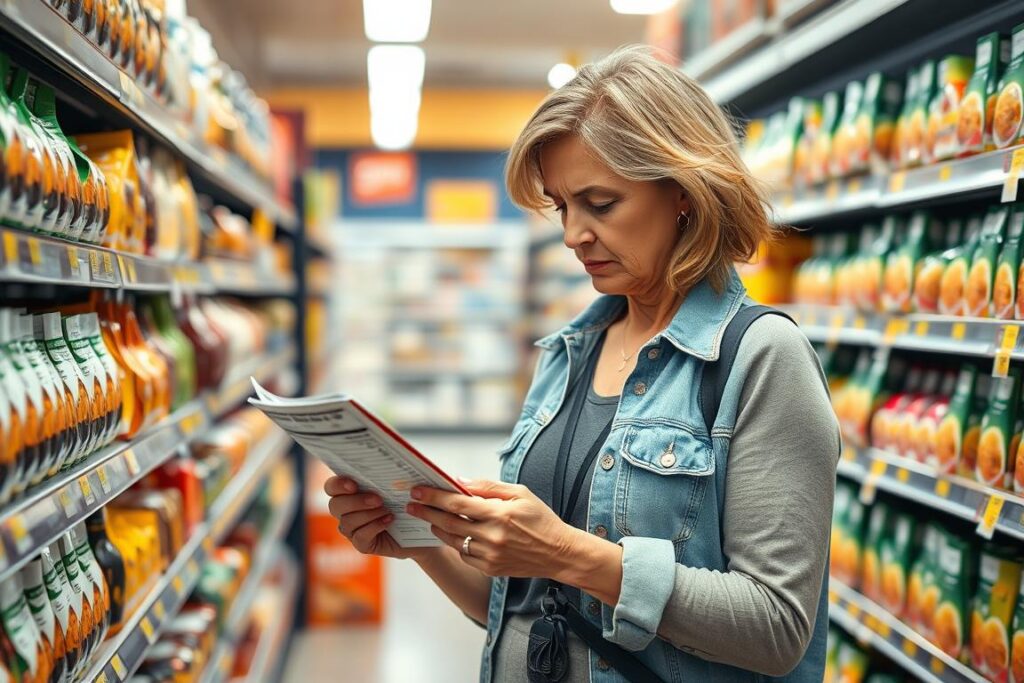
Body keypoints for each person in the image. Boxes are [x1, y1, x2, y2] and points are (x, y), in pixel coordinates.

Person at [325, 45, 840, 683]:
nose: (572, 234)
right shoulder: (570, 354)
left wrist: (568, 553)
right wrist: (418, 536)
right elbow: (524, 612)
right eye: (562, 205)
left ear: (682, 192)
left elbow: (775, 626)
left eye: (600, 204)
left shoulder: (761, 358)